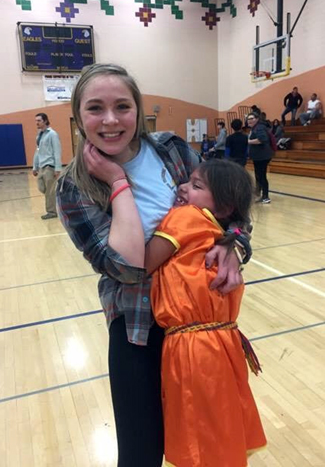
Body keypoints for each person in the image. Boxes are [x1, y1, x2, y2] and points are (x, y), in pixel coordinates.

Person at [56, 63, 252, 467]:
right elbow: (128, 268)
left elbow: (232, 209)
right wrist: (116, 182)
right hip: (136, 332)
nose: (110, 120)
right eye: (95, 108)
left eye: (122, 106)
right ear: (78, 117)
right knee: (140, 453)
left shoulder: (173, 149)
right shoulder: (73, 186)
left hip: (198, 331)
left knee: (206, 443)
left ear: (138, 109)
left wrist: (235, 244)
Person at [145, 159, 267, 467]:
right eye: (188, 181)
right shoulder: (219, 229)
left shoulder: (186, 217)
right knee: (222, 427)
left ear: (224, 207)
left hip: (194, 348)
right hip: (225, 343)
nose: (183, 188)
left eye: (196, 186)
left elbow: (143, 263)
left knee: (198, 433)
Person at [33, 113, 62, 219]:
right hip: (41, 166)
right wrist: (34, 166)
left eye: (39, 120)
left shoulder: (52, 134)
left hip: (50, 166)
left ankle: (52, 212)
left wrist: (58, 168)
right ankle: (57, 199)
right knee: (42, 188)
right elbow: (37, 152)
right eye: (36, 120)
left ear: (45, 121)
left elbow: (57, 151)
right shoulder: (40, 135)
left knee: (50, 190)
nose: (37, 122)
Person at [247, 112, 273, 204]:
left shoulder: (260, 128)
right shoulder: (255, 128)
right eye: (248, 119)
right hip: (258, 156)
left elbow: (262, 139)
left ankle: (265, 196)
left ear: (257, 119)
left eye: (252, 118)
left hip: (262, 156)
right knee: (258, 176)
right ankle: (258, 194)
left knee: (262, 176)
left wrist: (248, 141)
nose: (249, 120)